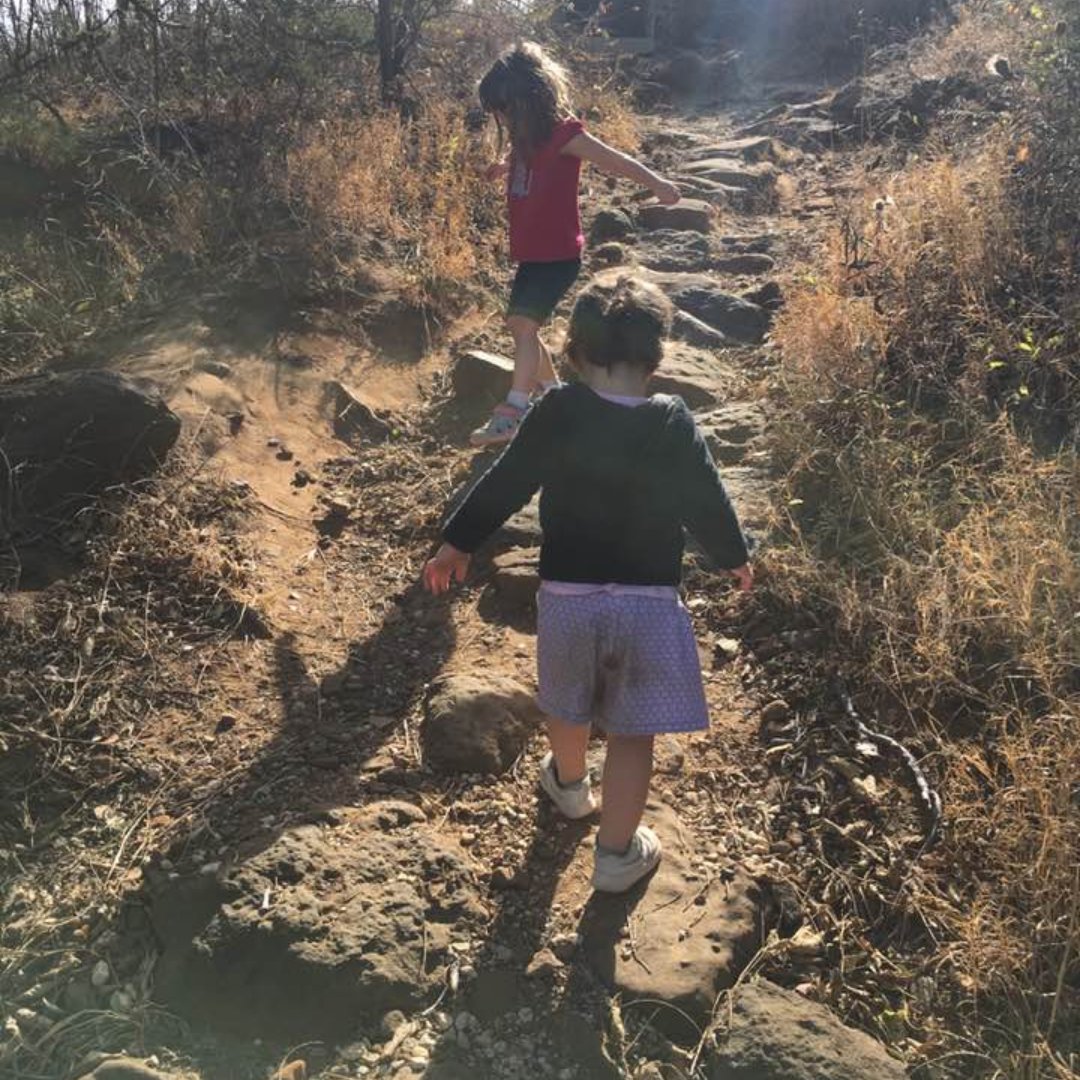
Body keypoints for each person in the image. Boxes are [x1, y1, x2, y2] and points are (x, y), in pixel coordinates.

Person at [424, 274, 753, 893]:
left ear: (573, 352)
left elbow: (506, 480)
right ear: (657, 358)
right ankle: (616, 855)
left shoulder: (559, 409)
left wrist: (456, 542)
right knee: (631, 733)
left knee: (567, 703)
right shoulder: (673, 421)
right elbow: (705, 498)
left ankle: (570, 789)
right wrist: (735, 556)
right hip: (648, 602)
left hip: (569, 598)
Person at [469, 41, 683, 447]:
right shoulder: (525, 141)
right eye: (497, 111)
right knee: (522, 330)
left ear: (530, 100)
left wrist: (656, 183)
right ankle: (555, 396)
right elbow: (524, 165)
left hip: (558, 255)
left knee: (523, 326)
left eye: (505, 108)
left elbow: (614, 159)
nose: (500, 118)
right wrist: (501, 167)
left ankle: (515, 410)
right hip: (532, 255)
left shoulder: (564, 135)